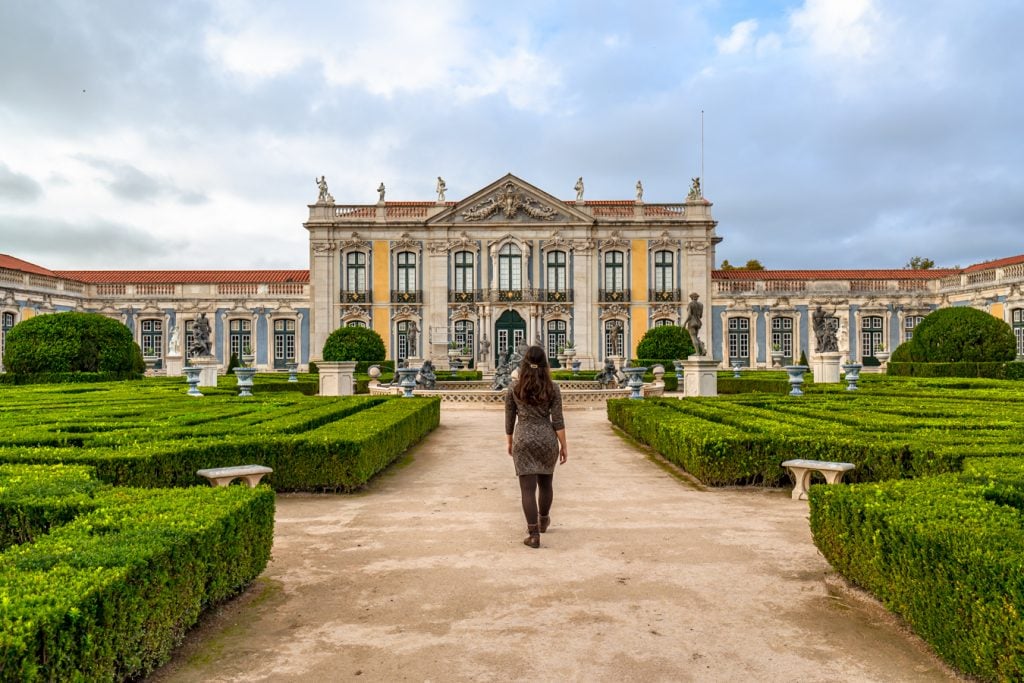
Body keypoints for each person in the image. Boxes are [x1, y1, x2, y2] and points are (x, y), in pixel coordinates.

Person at [505, 345, 568, 549]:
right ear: (545, 364)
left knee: (527, 489)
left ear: (523, 363)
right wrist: (564, 445)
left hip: (523, 438)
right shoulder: (553, 388)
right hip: (546, 439)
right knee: (546, 484)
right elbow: (558, 420)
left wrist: (509, 441)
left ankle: (533, 535)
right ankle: (543, 520)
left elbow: (509, 419)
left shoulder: (513, 388)